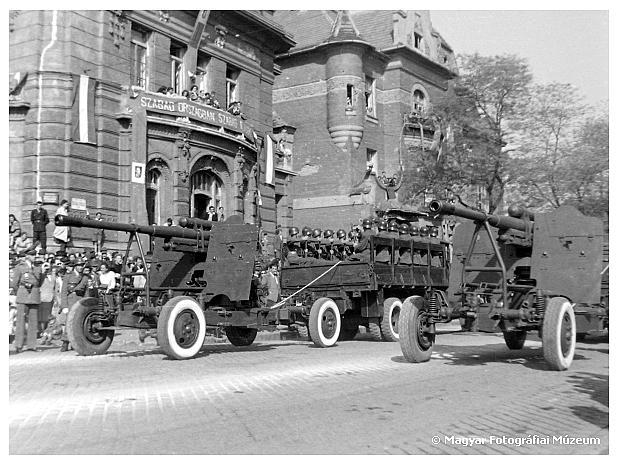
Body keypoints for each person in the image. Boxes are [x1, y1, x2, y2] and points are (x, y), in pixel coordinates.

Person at [11, 249, 44, 352]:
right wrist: (21, 291)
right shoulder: (20, 267)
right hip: (23, 295)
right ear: (27, 256)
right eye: (32, 255)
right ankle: (18, 345)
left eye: (35, 255)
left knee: (33, 322)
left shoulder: (37, 267)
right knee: (20, 321)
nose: (34, 256)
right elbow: (14, 283)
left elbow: (39, 283)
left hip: (34, 295)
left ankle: (32, 345)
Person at [38, 261, 58, 338]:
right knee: (42, 318)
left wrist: (55, 298)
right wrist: (42, 271)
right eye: (45, 267)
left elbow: (55, 288)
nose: (47, 269)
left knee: (49, 317)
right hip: (42, 298)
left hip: (50, 299)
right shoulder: (41, 276)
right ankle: (42, 332)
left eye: (48, 267)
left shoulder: (53, 276)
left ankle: (47, 332)